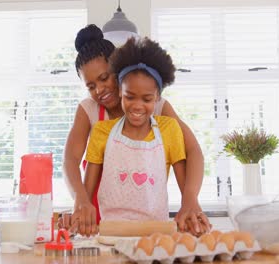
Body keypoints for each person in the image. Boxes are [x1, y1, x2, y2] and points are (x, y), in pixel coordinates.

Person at [61, 24, 210, 236]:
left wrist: (190, 198)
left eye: (104, 78)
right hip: (100, 216)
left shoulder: (158, 108)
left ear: (118, 71)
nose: (99, 90)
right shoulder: (90, 110)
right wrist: (81, 200)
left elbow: (193, 150)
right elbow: (70, 160)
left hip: (150, 217)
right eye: (91, 86)